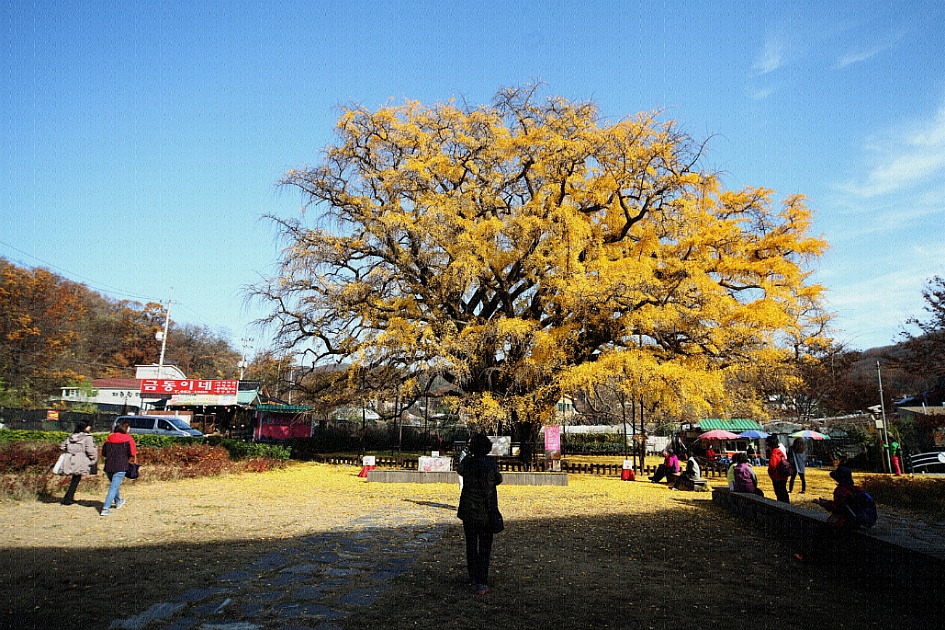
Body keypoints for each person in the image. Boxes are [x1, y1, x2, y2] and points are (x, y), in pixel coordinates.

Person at [795, 466, 876, 563]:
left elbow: (838, 508)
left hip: (846, 522)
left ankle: (811, 557)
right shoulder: (857, 489)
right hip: (857, 520)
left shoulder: (841, 491)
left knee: (820, 533)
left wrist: (823, 504)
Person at [457, 433, 503, 596]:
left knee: (471, 544)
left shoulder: (467, 463)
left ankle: (473, 576)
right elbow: (497, 480)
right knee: (484, 546)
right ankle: (482, 581)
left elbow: (460, 470)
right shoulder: (490, 464)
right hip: (485, 510)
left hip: (468, 510)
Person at [100, 419, 137, 516]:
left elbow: (103, 453)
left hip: (108, 466)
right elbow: (132, 453)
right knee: (113, 487)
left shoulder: (109, 438)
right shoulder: (129, 439)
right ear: (126, 428)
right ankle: (105, 508)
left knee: (114, 485)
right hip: (121, 465)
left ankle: (118, 501)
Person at [59, 421, 98, 505]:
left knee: (74, 479)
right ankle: (68, 498)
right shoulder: (87, 437)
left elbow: (62, 446)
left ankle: (68, 497)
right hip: (81, 460)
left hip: (70, 459)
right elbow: (90, 450)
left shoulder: (71, 436)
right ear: (86, 427)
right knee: (76, 479)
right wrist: (93, 459)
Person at [766, 435, 791, 503]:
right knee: (784, 492)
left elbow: (772, 466)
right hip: (783, 476)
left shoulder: (774, 454)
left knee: (780, 494)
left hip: (777, 477)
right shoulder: (780, 452)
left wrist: (770, 473)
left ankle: (782, 507)